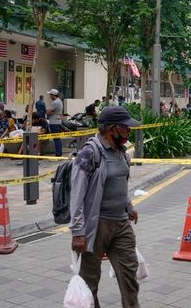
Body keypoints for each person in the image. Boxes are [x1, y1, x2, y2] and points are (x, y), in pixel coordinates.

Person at [70, 106, 141, 308]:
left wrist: (129, 206)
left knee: (129, 275)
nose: (129, 132)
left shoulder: (122, 152)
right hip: (96, 226)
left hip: (121, 223)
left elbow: (120, 184)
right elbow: (77, 195)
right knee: (89, 281)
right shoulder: (88, 153)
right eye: (126, 128)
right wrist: (78, 232)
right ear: (112, 129)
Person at [47, 88, 64, 157]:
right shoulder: (59, 101)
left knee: (56, 138)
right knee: (58, 138)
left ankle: (58, 153)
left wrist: (49, 112)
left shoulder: (55, 102)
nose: (49, 96)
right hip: (58, 121)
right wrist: (51, 112)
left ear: (52, 95)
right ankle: (59, 152)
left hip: (54, 122)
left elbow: (48, 112)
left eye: (50, 95)